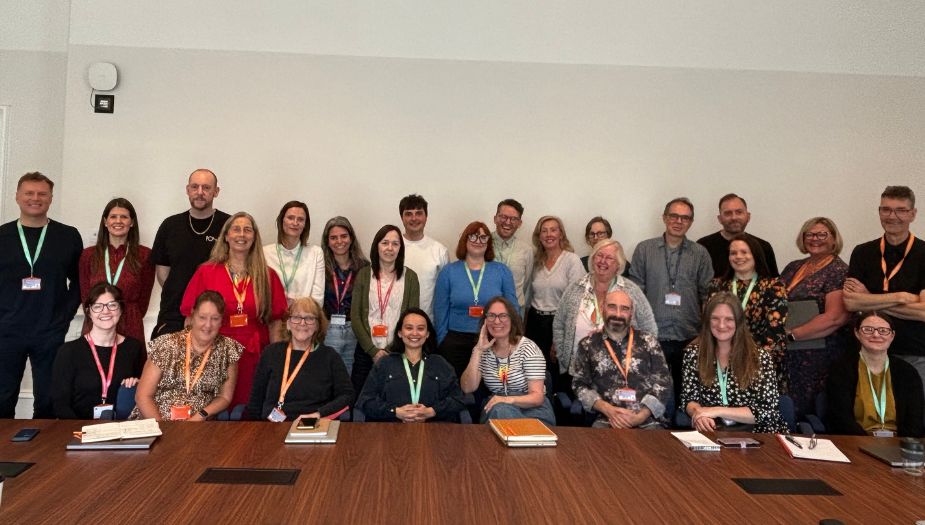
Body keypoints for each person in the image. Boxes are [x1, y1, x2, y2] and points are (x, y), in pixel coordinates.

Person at [180, 212, 288, 408]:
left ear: (254, 237)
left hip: (255, 355)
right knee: (214, 410)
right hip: (213, 353)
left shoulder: (267, 275)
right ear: (226, 236)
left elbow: (275, 323)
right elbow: (190, 319)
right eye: (236, 229)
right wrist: (191, 358)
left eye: (247, 230)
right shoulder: (206, 271)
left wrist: (277, 360)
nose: (242, 234)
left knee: (249, 411)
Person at [0, 172, 82, 418]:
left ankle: (43, 453)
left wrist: (63, 317)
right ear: (17, 196)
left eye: (42, 194)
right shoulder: (1, 236)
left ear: (50, 198)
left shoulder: (67, 236)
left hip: (50, 331)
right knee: (3, 397)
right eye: (29, 193)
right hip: (7, 330)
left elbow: (79, 282)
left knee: (47, 399)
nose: (35, 198)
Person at [629, 197, 713, 408]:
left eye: (685, 218)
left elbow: (707, 295)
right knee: (654, 395)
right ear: (665, 218)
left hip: (690, 337)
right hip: (653, 336)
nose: (679, 221)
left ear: (691, 222)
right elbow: (635, 293)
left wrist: (704, 334)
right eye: (674, 216)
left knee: (688, 396)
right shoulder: (644, 249)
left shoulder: (700, 253)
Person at [844, 185, 925, 388]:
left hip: (915, 351)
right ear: (879, 211)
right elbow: (850, 302)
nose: (892, 216)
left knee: (915, 416)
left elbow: (924, 311)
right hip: (868, 351)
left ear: (913, 214)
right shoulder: (862, 252)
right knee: (871, 416)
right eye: (886, 209)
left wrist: (869, 298)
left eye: (901, 210)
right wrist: (902, 297)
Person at [552, 239, 657, 389]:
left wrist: (633, 360)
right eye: (599, 255)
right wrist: (564, 356)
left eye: (609, 258)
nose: (603, 261)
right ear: (592, 258)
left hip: (619, 374)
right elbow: (559, 323)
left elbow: (650, 330)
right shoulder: (575, 288)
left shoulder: (631, 291)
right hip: (577, 371)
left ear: (618, 265)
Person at [681, 292, 787, 433]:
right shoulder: (693, 354)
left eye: (729, 319)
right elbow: (689, 399)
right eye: (715, 318)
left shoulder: (760, 358)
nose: (721, 325)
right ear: (707, 321)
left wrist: (717, 410)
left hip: (760, 435)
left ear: (739, 322)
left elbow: (767, 412)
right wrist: (699, 415)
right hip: (713, 432)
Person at [132, 291, 243, 421]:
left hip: (199, 426)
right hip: (156, 421)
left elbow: (225, 397)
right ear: (192, 315)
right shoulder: (167, 344)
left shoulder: (228, 349)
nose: (208, 325)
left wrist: (202, 415)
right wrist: (161, 427)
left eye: (215, 319)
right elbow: (143, 396)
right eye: (202, 317)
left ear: (221, 321)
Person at [779, 217, 850, 418]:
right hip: (789, 354)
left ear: (834, 239)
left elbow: (835, 318)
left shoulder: (838, 270)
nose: (815, 239)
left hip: (817, 357)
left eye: (822, 234)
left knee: (811, 412)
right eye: (809, 234)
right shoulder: (793, 266)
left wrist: (792, 336)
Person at [570, 290, 672, 429]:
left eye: (624, 309)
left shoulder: (649, 342)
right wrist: (608, 410)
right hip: (606, 419)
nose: (618, 314)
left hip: (648, 421)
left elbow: (664, 382)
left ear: (631, 313)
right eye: (612, 306)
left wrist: (640, 416)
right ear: (602, 308)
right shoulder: (588, 345)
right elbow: (579, 385)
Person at [151, 169, 230, 338]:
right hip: (173, 314)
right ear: (188, 190)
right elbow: (163, 274)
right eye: (195, 187)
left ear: (216, 192)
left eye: (206, 188)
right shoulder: (170, 225)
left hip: (214, 318)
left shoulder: (228, 225)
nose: (200, 192)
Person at [246, 297, 354, 422]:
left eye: (309, 318)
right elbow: (255, 401)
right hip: (271, 426)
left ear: (318, 326)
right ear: (288, 323)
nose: (302, 323)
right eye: (296, 317)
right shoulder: (270, 353)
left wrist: (319, 414)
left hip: (311, 425)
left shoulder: (329, 357)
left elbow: (347, 395)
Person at [434, 221, 518, 376]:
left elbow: (513, 308)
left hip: (493, 338)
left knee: (489, 388)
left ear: (489, 243)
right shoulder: (449, 272)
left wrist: (512, 338)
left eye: (483, 237)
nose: (478, 241)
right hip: (455, 342)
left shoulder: (502, 271)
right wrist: (442, 341)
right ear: (464, 240)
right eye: (473, 236)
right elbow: (440, 310)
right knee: (456, 388)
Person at [706, 233, 788, 390]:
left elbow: (774, 332)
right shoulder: (716, 286)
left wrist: (744, 359)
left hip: (759, 363)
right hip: (721, 362)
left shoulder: (773, 287)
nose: (738, 257)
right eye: (733, 253)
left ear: (755, 254)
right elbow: (710, 324)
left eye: (744, 252)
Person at [51, 283, 145, 419]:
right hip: (78, 431)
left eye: (112, 305)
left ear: (121, 309)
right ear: (88, 312)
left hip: (121, 431)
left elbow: (143, 394)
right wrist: (81, 432)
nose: (105, 311)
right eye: (97, 306)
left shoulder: (133, 348)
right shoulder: (69, 351)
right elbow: (60, 405)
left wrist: (137, 383)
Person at [825, 312, 924, 438]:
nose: (876, 335)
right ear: (857, 333)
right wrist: (867, 442)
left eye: (883, 331)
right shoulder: (841, 369)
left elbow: (914, 421)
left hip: (899, 444)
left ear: (892, 336)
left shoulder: (907, 372)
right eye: (868, 330)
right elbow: (840, 419)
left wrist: (901, 445)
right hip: (856, 442)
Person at [356, 308, 465, 422]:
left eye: (420, 329)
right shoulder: (384, 364)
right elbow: (365, 401)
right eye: (409, 328)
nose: (414, 333)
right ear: (399, 333)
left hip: (433, 432)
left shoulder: (439, 363)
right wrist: (395, 412)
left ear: (427, 334)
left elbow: (459, 400)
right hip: (390, 432)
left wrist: (432, 411)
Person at [460, 297, 555, 426]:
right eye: (491, 316)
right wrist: (478, 350)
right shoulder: (482, 350)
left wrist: (507, 400)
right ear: (485, 321)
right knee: (501, 411)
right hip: (497, 409)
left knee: (502, 411)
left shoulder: (528, 348)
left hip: (534, 411)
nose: (497, 321)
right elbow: (467, 387)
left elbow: (537, 397)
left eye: (503, 316)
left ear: (512, 320)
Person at [350, 225, 420, 394]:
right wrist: (373, 351)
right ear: (377, 246)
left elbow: (411, 320)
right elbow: (355, 316)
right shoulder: (364, 275)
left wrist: (389, 350)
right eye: (385, 243)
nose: (390, 248)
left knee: (393, 399)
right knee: (360, 399)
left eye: (395, 244)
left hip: (397, 352)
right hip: (366, 351)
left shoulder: (410, 277)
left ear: (400, 249)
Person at [79, 198, 155, 342]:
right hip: (96, 323)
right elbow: (85, 297)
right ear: (105, 222)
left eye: (124, 217)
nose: (118, 221)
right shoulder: (88, 255)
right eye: (113, 216)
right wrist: (101, 314)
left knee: (129, 364)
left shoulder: (145, 255)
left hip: (130, 324)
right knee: (94, 363)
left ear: (132, 222)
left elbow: (144, 300)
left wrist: (129, 315)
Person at [526, 215, 585, 386]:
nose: (548, 234)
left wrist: (560, 338)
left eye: (553, 230)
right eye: (544, 231)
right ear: (539, 236)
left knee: (557, 373)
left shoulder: (571, 260)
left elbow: (577, 301)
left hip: (559, 322)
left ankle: (557, 410)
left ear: (561, 234)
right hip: (536, 323)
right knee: (535, 372)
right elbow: (530, 296)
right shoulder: (536, 261)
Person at [320, 216, 369, 375]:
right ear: (327, 241)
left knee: (349, 375)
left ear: (351, 238)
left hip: (354, 329)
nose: (339, 241)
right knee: (327, 373)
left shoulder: (364, 267)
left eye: (343, 236)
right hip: (327, 328)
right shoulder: (321, 266)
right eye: (333, 238)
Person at [697, 193, 779, 278]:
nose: (734, 217)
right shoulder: (703, 246)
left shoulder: (763, 246)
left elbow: (773, 281)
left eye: (739, 212)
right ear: (720, 219)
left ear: (748, 216)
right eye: (728, 213)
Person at [263, 201, 325, 307]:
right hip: (274, 318)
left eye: (300, 219)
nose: (295, 223)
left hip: (305, 319)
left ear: (305, 225)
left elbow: (318, 299)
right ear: (281, 220)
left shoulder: (316, 253)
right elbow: (262, 294)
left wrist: (296, 309)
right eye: (290, 218)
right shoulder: (265, 253)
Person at [399, 194, 449, 321]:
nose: (414, 218)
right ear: (402, 218)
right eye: (408, 214)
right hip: (396, 323)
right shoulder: (392, 247)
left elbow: (445, 293)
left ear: (426, 217)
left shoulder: (440, 251)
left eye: (419, 213)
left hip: (428, 324)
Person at [492, 199, 533, 312]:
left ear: (519, 223)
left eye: (514, 219)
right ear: (495, 218)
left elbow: (526, 284)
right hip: (487, 310)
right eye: (503, 217)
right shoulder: (483, 244)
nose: (508, 222)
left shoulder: (526, 250)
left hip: (515, 311)